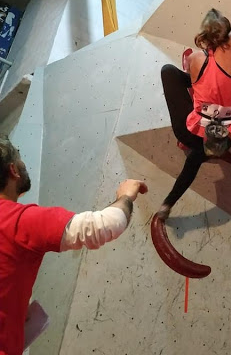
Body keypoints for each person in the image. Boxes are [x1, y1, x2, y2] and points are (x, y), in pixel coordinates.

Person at [0, 136, 147, 355]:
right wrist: (125, 195)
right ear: (13, 170)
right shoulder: (18, 221)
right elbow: (106, 225)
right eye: (21, 161)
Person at [158, 0, 231, 220]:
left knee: (169, 71)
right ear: (228, 33)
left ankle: (166, 206)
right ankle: (208, 153)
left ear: (204, 37)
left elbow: (189, 78)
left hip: (190, 132)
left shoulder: (195, 59)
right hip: (223, 138)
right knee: (197, 157)